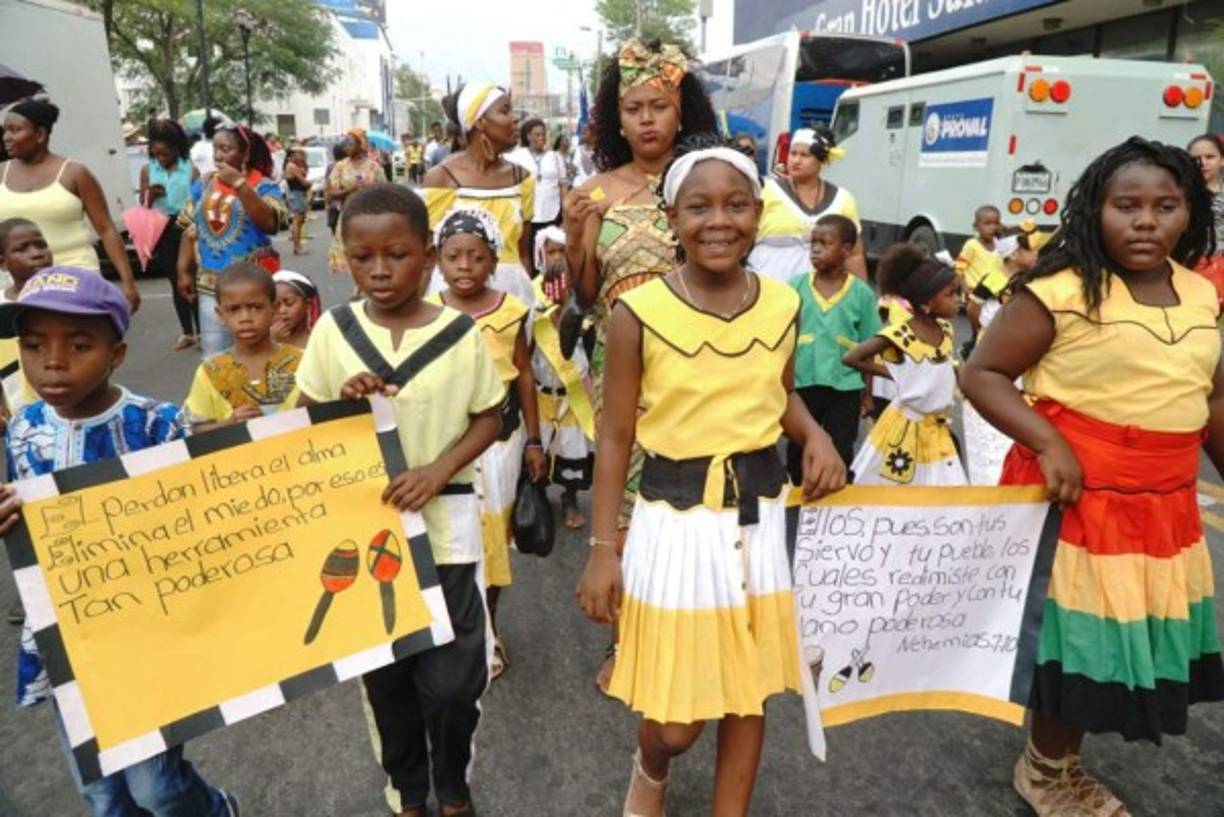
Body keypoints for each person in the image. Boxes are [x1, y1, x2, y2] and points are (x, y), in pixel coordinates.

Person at [575, 137, 845, 817]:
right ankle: (653, 761)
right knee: (677, 721)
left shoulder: (783, 303)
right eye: (699, 206)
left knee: (746, 692)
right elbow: (614, 435)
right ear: (672, 219)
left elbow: (777, 392)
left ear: (759, 215)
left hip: (758, 519)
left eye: (735, 205)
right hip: (676, 524)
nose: (718, 220)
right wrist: (604, 549)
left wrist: (815, 435)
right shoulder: (637, 313)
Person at [962, 137, 1224, 817]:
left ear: (1190, 213)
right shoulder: (1061, 290)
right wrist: (1048, 442)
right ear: (1094, 209)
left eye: (1166, 206)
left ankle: (1055, 762)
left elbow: (1213, 398)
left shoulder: (1202, 293)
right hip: (1077, 503)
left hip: (1163, 510)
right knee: (1074, 648)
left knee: (1113, 642)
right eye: (1126, 205)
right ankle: (1047, 772)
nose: (1146, 221)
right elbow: (982, 374)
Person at [0, 266, 239, 817]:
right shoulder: (22, 428)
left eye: (78, 345)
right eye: (33, 346)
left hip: (144, 637)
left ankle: (213, 809)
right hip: (64, 638)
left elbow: (211, 504)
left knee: (156, 787)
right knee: (102, 794)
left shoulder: (158, 426)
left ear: (117, 355)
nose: (52, 362)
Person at [296, 183, 503, 817]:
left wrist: (439, 469)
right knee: (386, 682)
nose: (380, 271)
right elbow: (305, 418)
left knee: (452, 682)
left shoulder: (458, 333)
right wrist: (341, 404)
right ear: (345, 259)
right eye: (363, 258)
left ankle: (452, 777)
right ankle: (409, 790)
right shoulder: (334, 331)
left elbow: (490, 416)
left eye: (398, 254)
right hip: (366, 533)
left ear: (429, 256)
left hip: (447, 529)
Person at [562, 36, 717, 692]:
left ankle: (686, 628)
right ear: (614, 118)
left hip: (697, 364)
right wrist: (580, 242)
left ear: (682, 112)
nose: (647, 118)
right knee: (623, 497)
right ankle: (628, 640)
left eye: (659, 105)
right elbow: (585, 296)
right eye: (633, 107)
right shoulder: (593, 191)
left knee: (693, 497)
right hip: (621, 363)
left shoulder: (707, 182)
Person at [430, 207, 547, 681]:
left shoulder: (512, 312)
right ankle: (453, 627)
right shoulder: (427, 313)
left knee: (492, 537)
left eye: (475, 257)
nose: (463, 266)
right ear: (438, 261)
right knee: (452, 536)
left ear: (493, 261)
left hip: (500, 441)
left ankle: (488, 629)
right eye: (453, 256)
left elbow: (524, 379)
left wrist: (535, 441)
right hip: (443, 444)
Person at [843, 243, 967, 486]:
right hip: (905, 428)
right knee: (896, 487)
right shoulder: (900, 333)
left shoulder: (946, 330)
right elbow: (852, 357)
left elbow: (939, 370)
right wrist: (896, 374)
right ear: (926, 303)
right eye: (950, 295)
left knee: (940, 491)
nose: (958, 302)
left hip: (937, 429)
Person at [0, 98, 140, 310]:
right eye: (5, 131)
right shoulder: (2, 172)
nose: (6, 138)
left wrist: (128, 283)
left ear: (39, 134)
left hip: (75, 277)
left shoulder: (75, 173)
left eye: (14, 130)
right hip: (16, 283)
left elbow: (106, 229)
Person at [422, 82, 536, 307]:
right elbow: (427, 255)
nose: (515, 119)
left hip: (512, 296)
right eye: (505, 111)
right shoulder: (442, 179)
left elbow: (523, 253)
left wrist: (528, 300)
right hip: (453, 299)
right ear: (479, 122)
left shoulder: (523, 179)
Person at [176, 125, 285, 357]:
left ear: (244, 154)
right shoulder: (204, 184)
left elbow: (271, 224)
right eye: (215, 148)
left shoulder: (264, 185)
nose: (218, 156)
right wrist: (183, 270)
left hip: (255, 284)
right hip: (211, 283)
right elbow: (188, 226)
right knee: (214, 354)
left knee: (258, 350)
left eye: (226, 149)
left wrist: (240, 185)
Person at [787, 214, 880, 480]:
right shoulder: (795, 286)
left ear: (846, 250)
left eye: (824, 243)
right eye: (813, 243)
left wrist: (868, 393)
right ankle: (797, 498)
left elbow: (869, 346)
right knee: (799, 447)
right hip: (802, 384)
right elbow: (783, 339)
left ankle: (837, 503)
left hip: (845, 387)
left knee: (840, 446)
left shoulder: (861, 293)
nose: (815, 249)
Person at [960, 229, 1042, 486]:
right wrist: (982, 335)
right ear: (1015, 254)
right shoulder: (994, 279)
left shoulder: (1034, 281)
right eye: (1032, 250)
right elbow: (973, 309)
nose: (1037, 254)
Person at [184, 262, 301, 431]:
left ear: (274, 309)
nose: (245, 317)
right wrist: (230, 424)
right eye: (233, 310)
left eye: (256, 307)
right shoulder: (210, 371)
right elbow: (196, 429)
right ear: (221, 315)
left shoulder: (303, 362)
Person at [532, 226, 595, 530]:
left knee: (572, 448)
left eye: (561, 251)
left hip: (572, 391)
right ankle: (537, 498)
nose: (555, 257)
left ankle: (570, 499)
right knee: (539, 448)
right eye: (550, 251)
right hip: (541, 388)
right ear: (539, 254)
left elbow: (591, 339)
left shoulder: (581, 295)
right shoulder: (530, 293)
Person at [749, 125, 865, 282]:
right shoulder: (765, 191)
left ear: (821, 161)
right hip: (767, 286)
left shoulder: (843, 199)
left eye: (805, 155)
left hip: (819, 295)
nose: (796, 160)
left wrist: (863, 299)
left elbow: (854, 255)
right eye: (793, 153)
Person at [141, 118, 201, 351]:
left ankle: (203, 331)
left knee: (192, 278)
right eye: (156, 154)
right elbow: (143, 206)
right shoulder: (148, 170)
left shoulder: (191, 169)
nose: (161, 158)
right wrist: (150, 195)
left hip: (187, 226)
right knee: (175, 281)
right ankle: (187, 332)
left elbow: (199, 202)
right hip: (161, 227)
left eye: (165, 153)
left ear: (177, 148)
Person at [508, 118, 569, 276]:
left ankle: (552, 287)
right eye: (537, 134)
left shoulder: (555, 157)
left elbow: (563, 185)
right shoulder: (516, 157)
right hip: (528, 217)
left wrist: (565, 210)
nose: (541, 138)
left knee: (551, 254)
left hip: (552, 213)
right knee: (529, 253)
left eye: (543, 134)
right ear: (528, 136)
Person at [327, 129, 388, 276]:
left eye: (350, 143)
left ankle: (363, 289)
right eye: (345, 144)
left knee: (370, 254)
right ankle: (359, 287)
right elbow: (330, 194)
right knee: (353, 255)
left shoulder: (374, 167)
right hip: (348, 217)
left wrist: (371, 191)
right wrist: (350, 190)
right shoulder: (340, 167)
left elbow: (386, 193)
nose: (346, 147)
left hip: (372, 219)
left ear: (361, 144)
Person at [956, 204, 1005, 338]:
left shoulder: (1000, 245)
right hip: (975, 294)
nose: (992, 227)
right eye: (987, 223)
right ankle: (972, 349)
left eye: (996, 223)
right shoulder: (971, 245)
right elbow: (959, 268)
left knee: (989, 328)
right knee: (977, 328)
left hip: (994, 294)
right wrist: (965, 289)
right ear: (976, 225)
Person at [1188, 133, 1224, 306]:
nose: (1203, 163)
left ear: (1222, 160)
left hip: (1219, 261)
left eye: (1210, 157)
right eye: (1196, 158)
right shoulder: (1180, 192)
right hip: (1186, 261)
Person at [272, 269, 321, 349]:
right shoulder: (265, 343)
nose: (282, 310)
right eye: (275, 306)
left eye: (289, 302)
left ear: (308, 305)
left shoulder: (320, 341)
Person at [283, 147, 311, 256]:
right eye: (300, 154)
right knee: (297, 221)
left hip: (298, 194)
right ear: (293, 155)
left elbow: (305, 172)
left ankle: (298, 245)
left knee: (300, 220)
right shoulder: (292, 166)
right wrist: (309, 183)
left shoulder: (295, 165)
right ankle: (297, 247)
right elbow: (304, 182)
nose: (302, 156)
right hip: (296, 194)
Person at [324, 142, 347, 236]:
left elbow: (327, 185)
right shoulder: (348, 165)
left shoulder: (330, 166)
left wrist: (327, 203)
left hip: (334, 202)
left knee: (334, 229)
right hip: (346, 201)